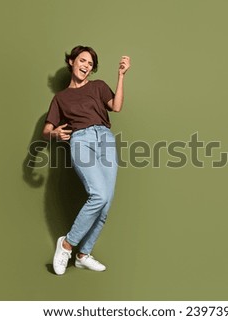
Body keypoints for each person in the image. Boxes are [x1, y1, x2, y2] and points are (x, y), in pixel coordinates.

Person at [43, 45, 131, 275]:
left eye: (90, 64)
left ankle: (83, 255)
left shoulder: (98, 86)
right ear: (72, 62)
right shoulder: (60, 99)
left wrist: (121, 76)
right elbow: (47, 130)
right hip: (81, 140)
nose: (86, 66)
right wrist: (55, 134)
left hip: (105, 139)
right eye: (82, 61)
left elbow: (117, 106)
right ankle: (67, 244)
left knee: (105, 204)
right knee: (98, 195)